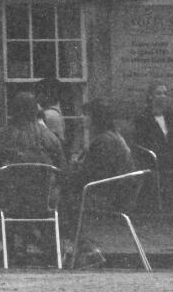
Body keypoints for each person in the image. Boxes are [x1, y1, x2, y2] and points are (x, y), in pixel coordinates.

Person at [0, 91, 66, 262]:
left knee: (6, 197)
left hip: (10, 201)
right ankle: (49, 249)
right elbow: (62, 170)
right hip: (42, 201)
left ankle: (11, 251)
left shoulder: (2, 135)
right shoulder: (49, 137)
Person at [60, 99, 134, 268]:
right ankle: (82, 250)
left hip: (109, 199)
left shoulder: (103, 141)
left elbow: (90, 176)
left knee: (65, 201)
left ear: (96, 118)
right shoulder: (113, 137)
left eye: (87, 115)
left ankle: (88, 250)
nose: (83, 118)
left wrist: (72, 170)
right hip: (118, 194)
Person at [35, 77, 66, 146]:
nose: (37, 95)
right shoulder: (50, 113)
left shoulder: (49, 115)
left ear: (48, 94)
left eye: (40, 92)